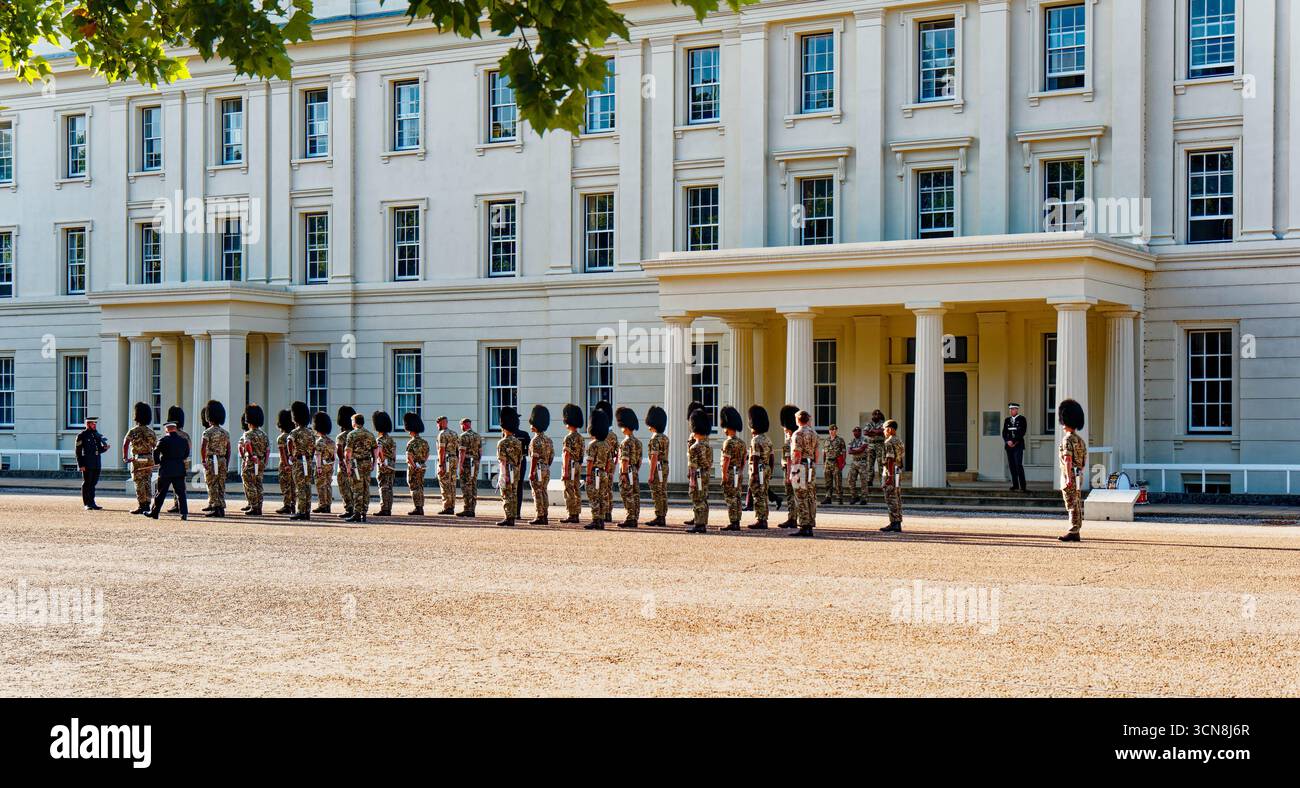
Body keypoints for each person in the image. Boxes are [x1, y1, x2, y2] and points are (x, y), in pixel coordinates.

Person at [1057, 399, 1088, 542]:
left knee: (1071, 503)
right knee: (1076, 502)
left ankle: (1073, 530)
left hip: (1069, 474)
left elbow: (1067, 459)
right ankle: (1076, 529)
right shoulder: (1080, 440)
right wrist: (1078, 473)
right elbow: (1084, 460)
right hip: (1078, 473)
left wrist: (1069, 477)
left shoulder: (1067, 440)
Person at [146, 421, 191, 521]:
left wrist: (157, 462)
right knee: (181, 493)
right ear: (175, 428)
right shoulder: (183, 440)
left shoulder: (163, 440)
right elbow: (186, 454)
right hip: (179, 469)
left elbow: (156, 452)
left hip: (166, 469)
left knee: (161, 492)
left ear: (167, 429)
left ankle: (155, 512)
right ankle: (184, 513)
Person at [123, 402, 157, 515]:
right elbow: (155, 446)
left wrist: (125, 457)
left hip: (137, 458)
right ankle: (148, 503)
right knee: (147, 481)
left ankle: (142, 505)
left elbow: (125, 443)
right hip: (148, 458)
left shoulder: (133, 431)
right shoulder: (151, 432)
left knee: (139, 482)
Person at [344, 412, 378, 523]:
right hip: (367, 463)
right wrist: (374, 463)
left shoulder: (352, 434)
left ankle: (357, 513)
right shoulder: (370, 434)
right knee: (366, 488)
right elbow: (375, 450)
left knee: (357, 489)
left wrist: (348, 466)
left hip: (356, 464)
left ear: (354, 422)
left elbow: (348, 452)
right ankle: (364, 512)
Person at [790, 410, 819, 537]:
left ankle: (804, 525)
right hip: (811, 465)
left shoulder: (798, 433)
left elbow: (797, 454)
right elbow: (817, 452)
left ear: (798, 420)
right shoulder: (814, 433)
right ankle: (810, 524)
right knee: (811, 495)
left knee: (800, 495)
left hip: (801, 465)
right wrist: (813, 464)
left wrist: (794, 470)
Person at [584, 408, 614, 530]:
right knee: (602, 497)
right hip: (603, 473)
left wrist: (587, 475)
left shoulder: (593, 444)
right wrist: (605, 472)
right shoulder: (607, 444)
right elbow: (609, 462)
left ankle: (596, 519)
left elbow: (590, 461)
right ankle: (601, 519)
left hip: (595, 472)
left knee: (594, 497)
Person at [684, 408, 713, 534]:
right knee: (704, 498)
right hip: (706, 474)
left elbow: (693, 467)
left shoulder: (694, 447)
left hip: (698, 476)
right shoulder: (707, 445)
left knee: (697, 499)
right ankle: (703, 522)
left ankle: (699, 524)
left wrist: (692, 481)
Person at [200, 400, 230, 518]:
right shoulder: (225, 432)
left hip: (212, 460)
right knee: (221, 483)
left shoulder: (208, 432)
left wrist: (203, 460)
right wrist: (226, 463)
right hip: (222, 459)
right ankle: (220, 507)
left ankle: (216, 507)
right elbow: (229, 449)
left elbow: (203, 447)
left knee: (212, 483)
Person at [718, 405, 746, 531]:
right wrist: (740, 470)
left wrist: (723, 475)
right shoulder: (742, 442)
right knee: (738, 497)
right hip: (738, 472)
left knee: (730, 497)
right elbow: (744, 459)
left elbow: (726, 460)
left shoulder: (728, 442)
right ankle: (737, 520)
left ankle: (733, 521)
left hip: (730, 472)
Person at [746, 405, 774, 530]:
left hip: (759, 469)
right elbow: (772, 457)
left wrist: (755, 473)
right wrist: (771, 471)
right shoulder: (768, 439)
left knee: (758, 495)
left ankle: (760, 519)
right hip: (767, 468)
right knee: (764, 494)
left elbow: (755, 458)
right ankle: (764, 518)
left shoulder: (755, 440)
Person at [496, 407, 523, 526]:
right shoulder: (518, 442)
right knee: (514, 493)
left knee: (506, 494)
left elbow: (502, 461)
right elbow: (520, 460)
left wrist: (503, 475)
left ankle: (508, 517)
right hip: (516, 470)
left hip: (507, 470)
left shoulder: (502, 442)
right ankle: (512, 516)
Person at [615, 407, 642, 528]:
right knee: (635, 494)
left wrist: (624, 473)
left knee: (627, 494)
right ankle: (635, 516)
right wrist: (634, 471)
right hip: (635, 470)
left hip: (627, 470)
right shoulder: (638, 442)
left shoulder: (625, 443)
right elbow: (640, 460)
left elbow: (624, 459)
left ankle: (630, 517)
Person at [287, 401, 315, 521]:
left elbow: (289, 442)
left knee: (300, 487)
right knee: (307, 486)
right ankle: (307, 510)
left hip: (298, 461)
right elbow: (314, 446)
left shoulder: (295, 432)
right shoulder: (310, 432)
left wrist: (290, 455)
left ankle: (301, 511)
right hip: (308, 461)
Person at [240, 404, 269, 516]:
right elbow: (267, 449)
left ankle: (253, 506)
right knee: (258, 483)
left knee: (249, 483)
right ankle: (259, 506)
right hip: (261, 461)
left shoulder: (248, 433)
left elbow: (247, 444)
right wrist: (265, 461)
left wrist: (251, 455)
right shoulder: (264, 434)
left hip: (252, 461)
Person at [75, 415, 109, 510]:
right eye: (93, 423)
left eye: (95, 423)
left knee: (93, 483)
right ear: (88, 424)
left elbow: (98, 450)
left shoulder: (96, 435)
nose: (95, 425)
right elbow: (78, 451)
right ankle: (87, 503)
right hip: (87, 463)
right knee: (87, 483)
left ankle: (92, 502)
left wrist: (104, 449)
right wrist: (81, 464)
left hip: (96, 462)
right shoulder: (82, 435)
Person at [527, 405, 553, 525]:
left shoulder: (535, 440)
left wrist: (531, 472)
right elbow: (551, 456)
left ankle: (540, 515)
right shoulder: (548, 439)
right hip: (546, 467)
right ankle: (545, 514)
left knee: (537, 492)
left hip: (537, 468)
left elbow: (534, 457)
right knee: (544, 491)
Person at [643, 405, 669, 527]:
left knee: (657, 492)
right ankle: (662, 515)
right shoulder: (665, 438)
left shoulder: (654, 439)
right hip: (664, 467)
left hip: (657, 467)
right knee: (663, 491)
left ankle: (659, 516)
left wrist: (651, 474)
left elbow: (654, 457)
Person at [879, 420, 906, 533]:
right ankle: (897, 521)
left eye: (884, 429)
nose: (884, 432)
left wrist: (889, 476)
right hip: (897, 470)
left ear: (889, 429)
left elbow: (890, 459)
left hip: (891, 470)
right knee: (897, 495)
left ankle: (894, 522)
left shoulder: (889, 442)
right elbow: (901, 457)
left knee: (890, 496)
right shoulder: (899, 440)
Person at [560, 404, 585, 525]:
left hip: (570, 466)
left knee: (568, 490)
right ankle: (577, 513)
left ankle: (571, 514)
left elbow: (566, 455)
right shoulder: (581, 437)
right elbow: (581, 454)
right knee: (576, 490)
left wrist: (565, 471)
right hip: (578, 465)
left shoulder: (568, 438)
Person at [163, 406, 191, 513]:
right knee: (180, 485)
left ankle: (176, 504)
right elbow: (188, 449)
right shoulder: (185, 435)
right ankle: (180, 505)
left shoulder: (169, 435)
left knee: (167, 485)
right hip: (182, 462)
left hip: (170, 462)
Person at [777, 404, 800, 528]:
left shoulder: (789, 441)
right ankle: (798, 518)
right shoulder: (798, 438)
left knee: (791, 495)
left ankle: (792, 518)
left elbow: (788, 459)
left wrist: (789, 475)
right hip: (799, 469)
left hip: (790, 470)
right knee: (798, 495)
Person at [595, 400, 618, 523]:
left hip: (601, 464)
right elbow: (617, 453)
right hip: (611, 464)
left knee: (600, 490)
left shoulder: (600, 434)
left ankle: (602, 513)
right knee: (609, 489)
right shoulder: (613, 435)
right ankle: (608, 512)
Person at [455, 418, 482, 517]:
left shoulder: (463, 436)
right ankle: (472, 508)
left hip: (466, 462)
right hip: (475, 462)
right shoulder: (477, 436)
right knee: (473, 484)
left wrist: (460, 465)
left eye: (461, 425)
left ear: (464, 425)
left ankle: (467, 508)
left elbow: (462, 452)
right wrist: (477, 462)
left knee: (466, 485)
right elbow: (480, 451)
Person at [404, 412, 429, 516]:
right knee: (420, 486)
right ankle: (421, 507)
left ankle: (417, 507)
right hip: (422, 465)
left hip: (414, 467)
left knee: (414, 487)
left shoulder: (411, 442)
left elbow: (409, 457)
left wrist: (414, 466)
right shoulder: (424, 442)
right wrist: (422, 463)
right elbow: (427, 454)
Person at [372, 411, 396, 516]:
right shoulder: (391, 439)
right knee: (389, 487)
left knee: (383, 486)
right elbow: (394, 454)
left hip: (383, 464)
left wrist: (381, 460)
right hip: (391, 464)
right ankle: (388, 508)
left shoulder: (379, 439)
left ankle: (384, 509)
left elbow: (379, 451)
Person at [335, 406, 357, 520]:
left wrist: (341, 461)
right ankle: (357, 509)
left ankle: (349, 509)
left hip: (345, 463)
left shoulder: (342, 436)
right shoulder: (356, 434)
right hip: (356, 464)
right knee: (355, 486)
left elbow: (339, 449)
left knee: (344, 487)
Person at [435, 415, 458, 516]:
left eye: (438, 424)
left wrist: (441, 464)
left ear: (440, 423)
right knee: (452, 483)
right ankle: (451, 505)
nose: (437, 426)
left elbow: (441, 450)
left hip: (446, 460)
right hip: (454, 458)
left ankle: (447, 506)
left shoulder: (442, 434)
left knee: (444, 482)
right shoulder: (454, 433)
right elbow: (457, 448)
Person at [1003, 402, 1029, 492]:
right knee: (1012, 465)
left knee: (1018, 465)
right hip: (1009, 446)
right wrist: (1007, 441)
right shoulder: (1007, 420)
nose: (1011, 411)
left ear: (1017, 410)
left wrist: (1014, 441)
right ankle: (1015, 485)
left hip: (1018, 445)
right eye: (1010, 409)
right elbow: (1004, 433)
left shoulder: (1022, 419)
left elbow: (1022, 432)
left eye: (1013, 409)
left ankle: (1023, 486)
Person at [274, 409, 296, 515]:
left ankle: (287, 505)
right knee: (293, 485)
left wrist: (286, 464)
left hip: (285, 463)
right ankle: (293, 504)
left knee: (285, 485)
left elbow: (282, 453)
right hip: (295, 464)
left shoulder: (282, 437)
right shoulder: (295, 435)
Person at [313, 411, 335, 514]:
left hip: (321, 465)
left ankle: (322, 505)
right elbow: (333, 456)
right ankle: (328, 505)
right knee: (328, 485)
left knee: (321, 486)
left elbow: (318, 455)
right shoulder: (331, 441)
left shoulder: (319, 441)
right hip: (330, 466)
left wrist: (318, 467)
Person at [822, 424, 846, 506]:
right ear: (829, 431)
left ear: (836, 431)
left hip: (836, 462)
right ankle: (828, 497)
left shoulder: (840, 440)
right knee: (828, 482)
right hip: (827, 463)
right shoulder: (826, 441)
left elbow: (844, 452)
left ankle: (839, 498)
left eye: (835, 430)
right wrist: (824, 462)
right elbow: (824, 453)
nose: (833, 431)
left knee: (838, 481)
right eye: (831, 430)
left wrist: (843, 462)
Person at [846, 425, 870, 505]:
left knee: (863, 481)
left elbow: (862, 449)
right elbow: (849, 451)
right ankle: (854, 496)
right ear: (853, 432)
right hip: (854, 462)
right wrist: (857, 450)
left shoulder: (864, 439)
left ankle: (864, 498)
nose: (856, 432)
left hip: (862, 462)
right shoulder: (851, 440)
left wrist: (855, 450)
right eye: (855, 431)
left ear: (860, 432)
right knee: (850, 479)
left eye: (858, 431)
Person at [864, 410, 886, 489]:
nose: (876, 415)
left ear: (880, 415)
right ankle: (869, 480)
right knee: (870, 463)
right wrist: (877, 432)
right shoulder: (869, 423)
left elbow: (883, 431)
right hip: (871, 445)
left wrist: (873, 431)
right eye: (875, 414)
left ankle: (882, 481)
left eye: (878, 414)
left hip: (880, 445)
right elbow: (865, 432)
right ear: (872, 415)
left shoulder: (883, 423)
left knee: (881, 463)